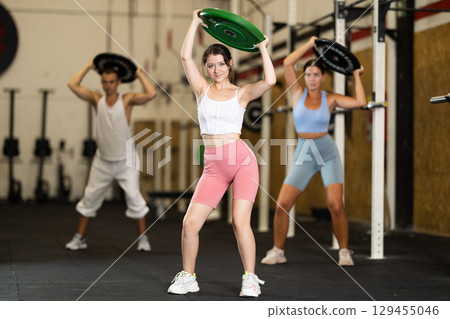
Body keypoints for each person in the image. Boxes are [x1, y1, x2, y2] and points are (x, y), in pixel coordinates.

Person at [167, 10, 276, 297]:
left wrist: (263, 47)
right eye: (211, 65)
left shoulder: (242, 93)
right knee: (190, 223)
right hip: (213, 166)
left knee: (240, 222)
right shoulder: (201, 90)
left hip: (242, 162)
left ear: (230, 65)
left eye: (221, 64)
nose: (216, 69)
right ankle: (188, 276)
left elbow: (270, 81)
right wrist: (194, 22)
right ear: (206, 68)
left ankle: (250, 278)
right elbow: (184, 57)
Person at [261, 36, 366, 266]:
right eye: (307, 74)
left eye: (315, 74)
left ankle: (344, 251)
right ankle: (278, 250)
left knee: (335, 206)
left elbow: (360, 101)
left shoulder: (330, 98)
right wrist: (310, 44)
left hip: (327, 152)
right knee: (281, 206)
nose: (311, 78)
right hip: (304, 153)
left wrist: (356, 75)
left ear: (323, 77)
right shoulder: (297, 93)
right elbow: (288, 63)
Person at [65, 59, 157, 251]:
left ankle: (143, 239)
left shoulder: (127, 100)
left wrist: (138, 73)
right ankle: (79, 238)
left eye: (111, 82)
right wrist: (89, 65)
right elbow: (72, 85)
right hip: (103, 160)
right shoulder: (96, 99)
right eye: (105, 82)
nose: (108, 85)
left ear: (119, 82)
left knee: (134, 198)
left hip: (126, 160)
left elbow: (151, 93)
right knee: (90, 198)